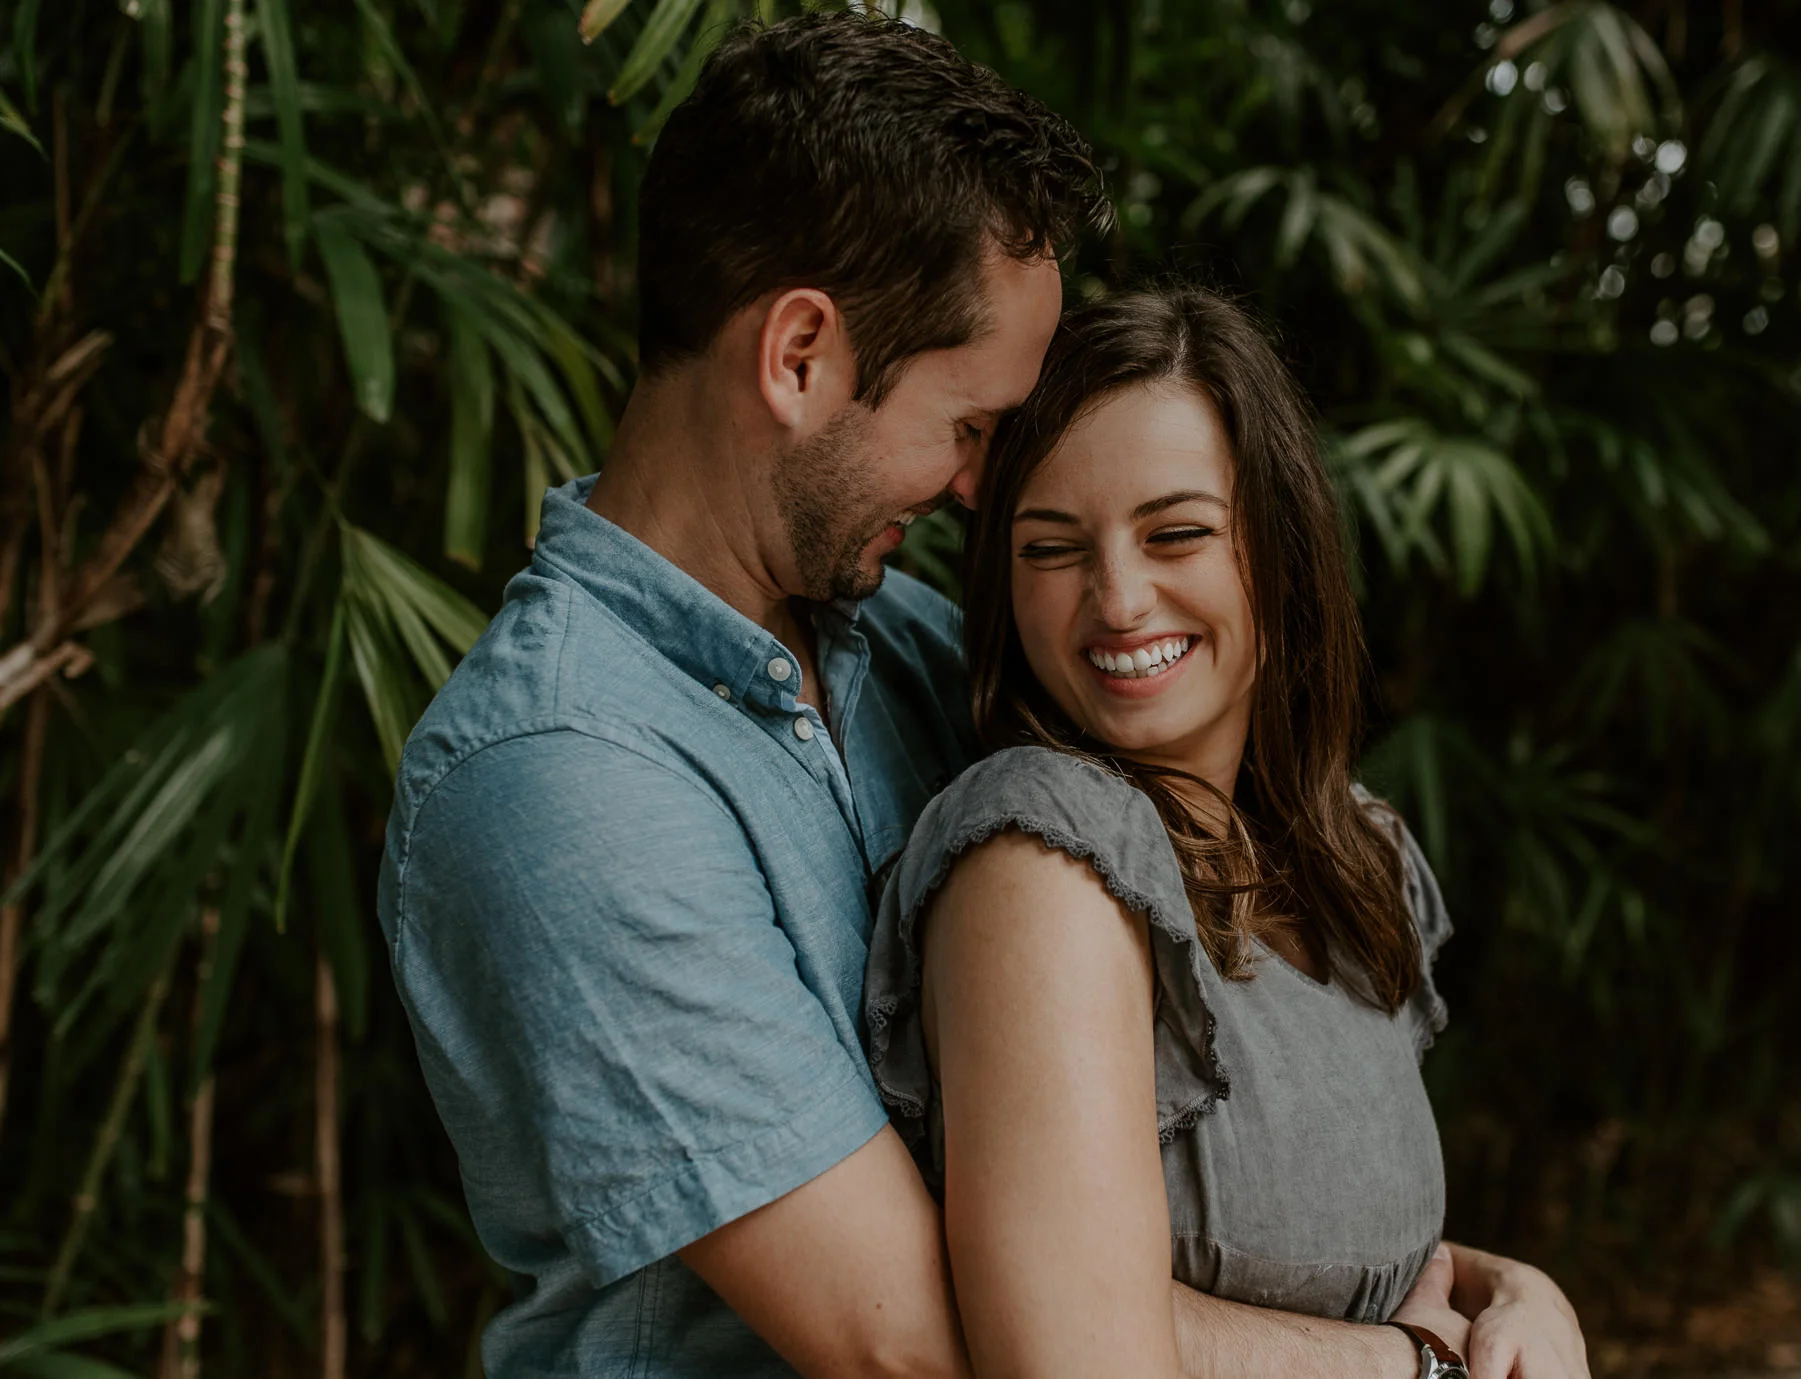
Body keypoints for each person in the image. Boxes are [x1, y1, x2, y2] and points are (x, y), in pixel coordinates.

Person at [380, 10, 1578, 1377]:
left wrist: (1495, 1288)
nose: (976, 488)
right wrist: (1410, 1360)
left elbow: (1143, 1190)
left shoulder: (907, 648)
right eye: (969, 426)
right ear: (798, 355)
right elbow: (933, 1341)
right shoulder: (561, 777)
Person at [863, 285, 1592, 1379]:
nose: (1118, 599)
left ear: (1279, 544)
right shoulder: (1042, 854)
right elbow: (1078, 1356)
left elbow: (1331, 1255)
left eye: (1176, 533)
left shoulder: (1357, 853)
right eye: (1051, 549)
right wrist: (1419, 1367)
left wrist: (1515, 1291)